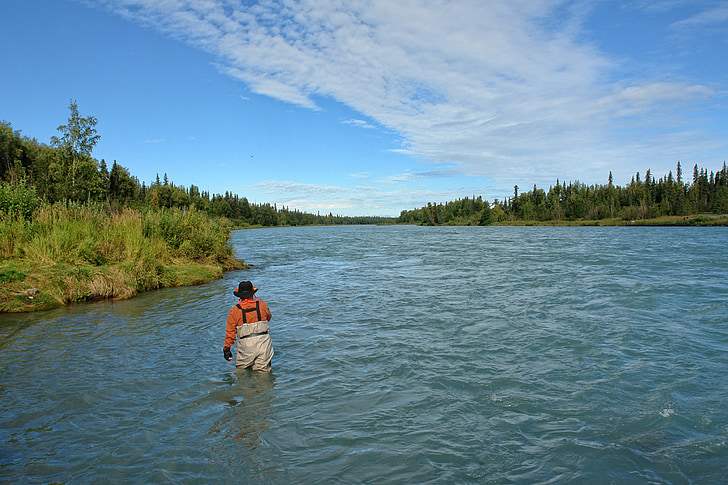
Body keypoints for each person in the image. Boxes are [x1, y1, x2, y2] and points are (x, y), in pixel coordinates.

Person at [223, 281, 274, 372]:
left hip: (246, 345)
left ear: (239, 296)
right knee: (263, 374)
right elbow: (268, 317)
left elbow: (230, 333)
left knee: (242, 374)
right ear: (252, 293)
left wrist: (227, 349)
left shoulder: (234, 310)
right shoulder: (262, 304)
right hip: (264, 342)